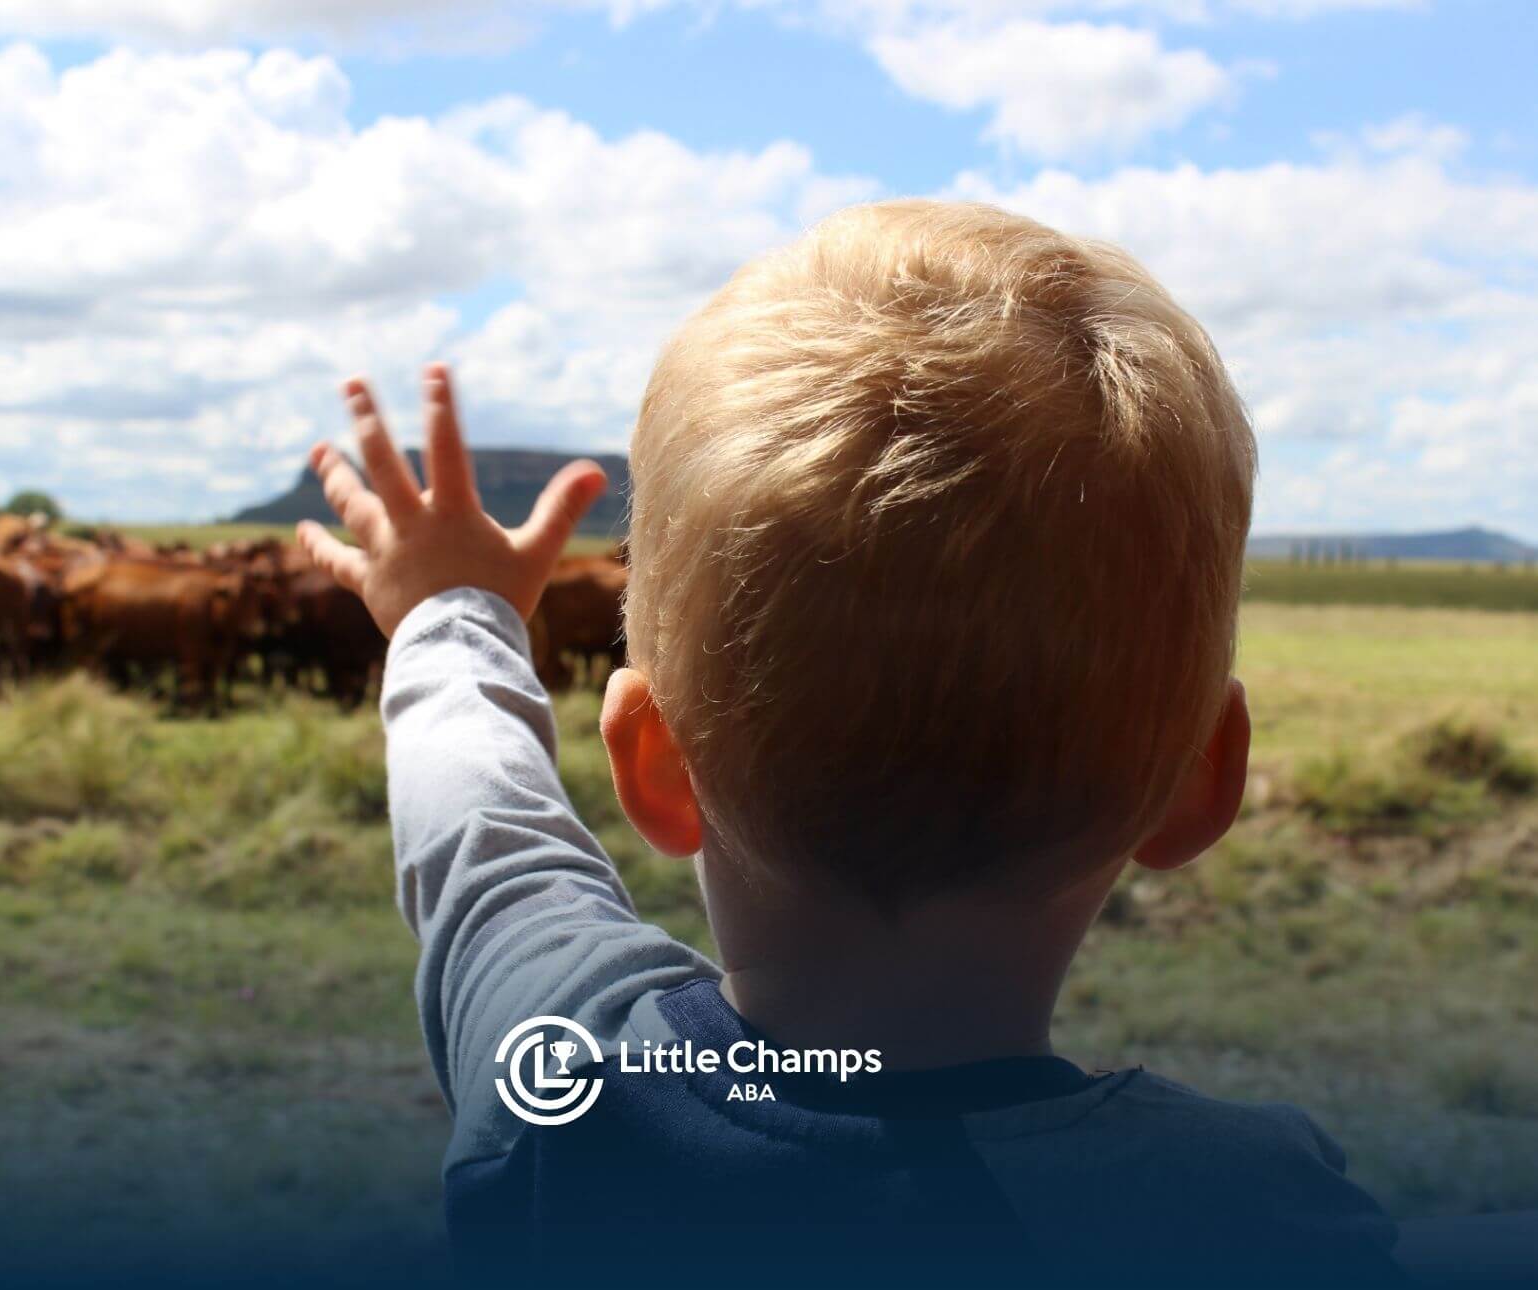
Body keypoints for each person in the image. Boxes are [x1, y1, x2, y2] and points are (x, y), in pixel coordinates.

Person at [296, 201, 1408, 1286]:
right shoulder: (1252, 1213)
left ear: (651, 764)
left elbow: (482, 836)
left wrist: (451, 613)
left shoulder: (561, 1092)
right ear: (1200, 782)